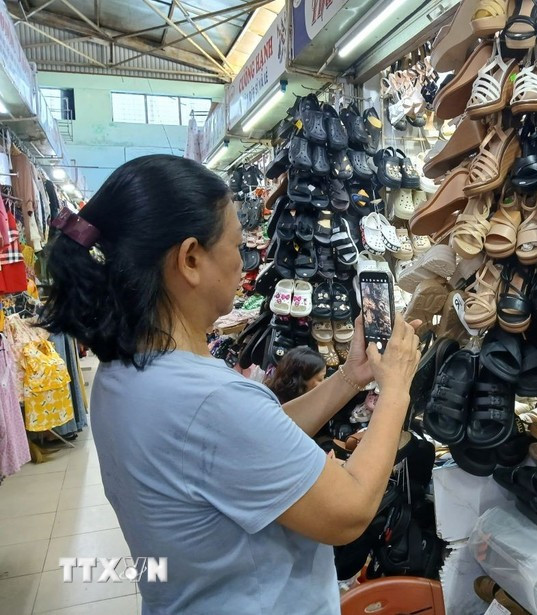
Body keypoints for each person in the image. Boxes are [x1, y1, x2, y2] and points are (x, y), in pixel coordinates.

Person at [42, 155, 421, 614]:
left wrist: (348, 378)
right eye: (237, 245)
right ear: (190, 259)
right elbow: (350, 512)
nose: (243, 260)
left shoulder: (125, 372)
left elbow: (251, 437)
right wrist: (396, 390)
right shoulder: (207, 399)